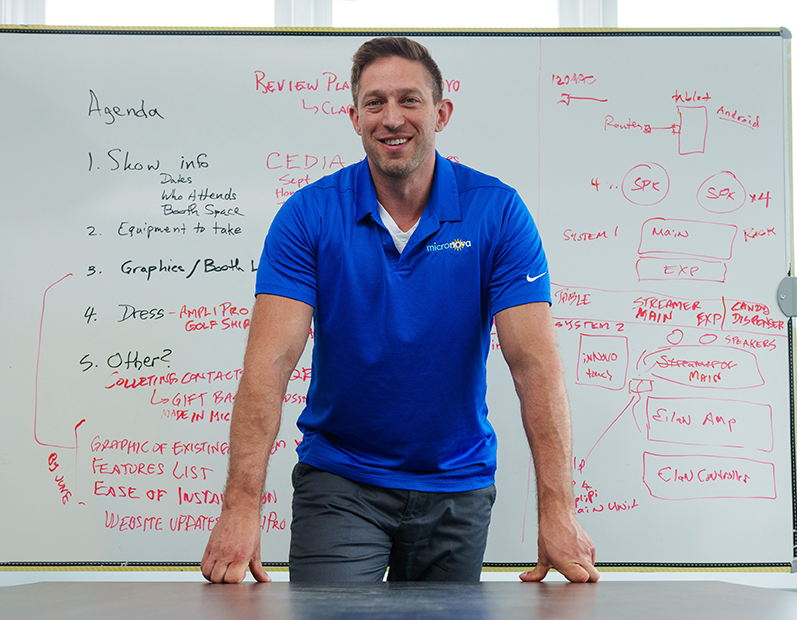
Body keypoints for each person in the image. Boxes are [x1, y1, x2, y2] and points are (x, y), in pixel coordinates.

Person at [200, 36, 598, 584]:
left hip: (456, 485)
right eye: (374, 102)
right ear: (355, 117)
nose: (392, 118)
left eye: (409, 100)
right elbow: (268, 367)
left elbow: (535, 366)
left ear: (441, 112)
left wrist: (558, 510)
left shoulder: (498, 213)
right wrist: (240, 508)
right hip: (340, 481)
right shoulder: (308, 216)